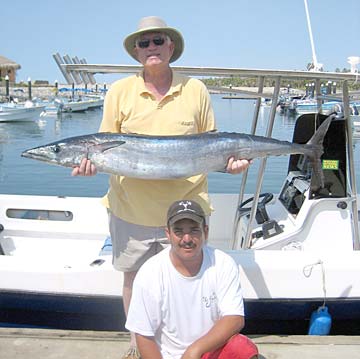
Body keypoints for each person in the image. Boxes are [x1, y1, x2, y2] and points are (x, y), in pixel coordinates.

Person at [72, 16, 250, 359]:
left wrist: (232, 164)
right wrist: (89, 166)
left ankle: (195, 347)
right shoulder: (119, 91)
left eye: (158, 41)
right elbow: (103, 146)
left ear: (171, 47)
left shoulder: (195, 89)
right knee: (134, 281)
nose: (151, 47)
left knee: (192, 279)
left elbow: (212, 145)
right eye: (144, 43)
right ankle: (140, 347)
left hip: (188, 212)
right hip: (130, 209)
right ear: (136, 52)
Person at [126, 199, 259, 359]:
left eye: (194, 230)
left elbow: (234, 318)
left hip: (207, 352)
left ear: (206, 231)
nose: (187, 239)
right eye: (179, 231)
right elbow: (143, 333)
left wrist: (195, 350)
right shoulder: (150, 272)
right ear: (168, 233)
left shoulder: (223, 263)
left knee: (242, 347)